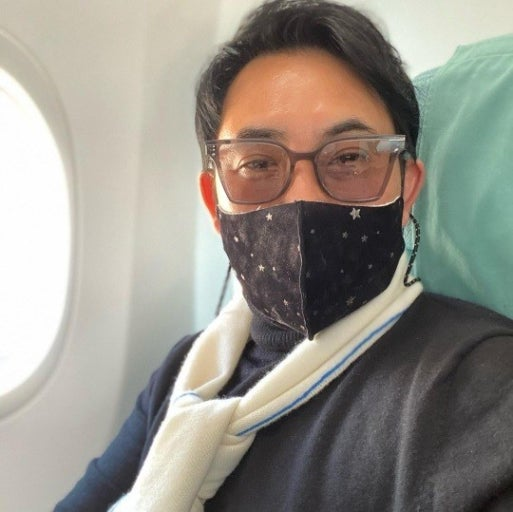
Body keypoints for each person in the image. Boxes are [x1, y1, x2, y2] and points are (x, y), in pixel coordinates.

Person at [55, 1, 513, 511]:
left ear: (406, 190)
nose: (303, 198)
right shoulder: (183, 374)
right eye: (257, 163)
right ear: (214, 204)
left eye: (349, 156)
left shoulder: (476, 383)